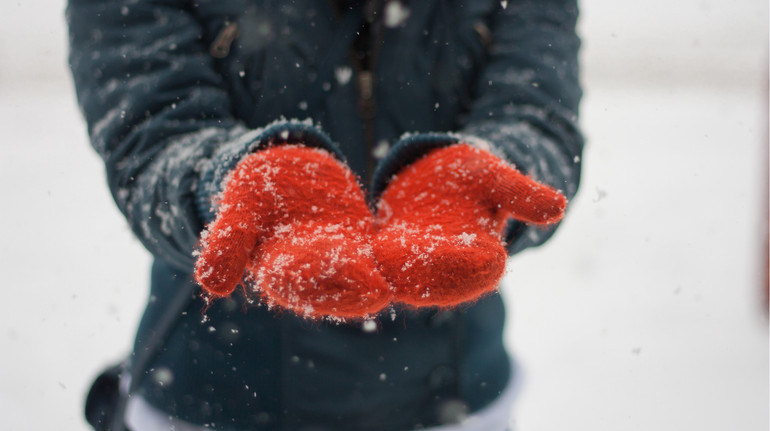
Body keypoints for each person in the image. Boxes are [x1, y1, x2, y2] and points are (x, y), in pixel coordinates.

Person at [68, 0, 583, 430]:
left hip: (454, 394)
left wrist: (498, 172)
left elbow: (536, 112)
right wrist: (227, 184)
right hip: (217, 391)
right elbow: (151, 134)